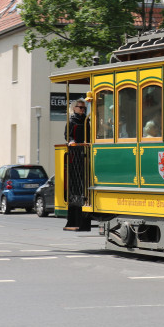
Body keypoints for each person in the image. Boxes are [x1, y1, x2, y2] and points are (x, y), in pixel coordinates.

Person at [64, 99, 91, 231]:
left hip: (86, 153)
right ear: (74, 108)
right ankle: (75, 215)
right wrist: (72, 142)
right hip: (75, 155)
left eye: (84, 108)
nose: (82, 110)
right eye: (80, 108)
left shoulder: (87, 120)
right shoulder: (71, 121)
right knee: (76, 182)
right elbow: (67, 136)